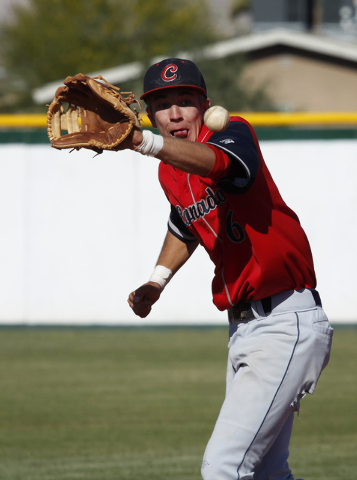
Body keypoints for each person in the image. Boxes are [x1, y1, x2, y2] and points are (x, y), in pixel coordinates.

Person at [124, 58, 333, 480]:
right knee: (266, 472)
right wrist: (157, 281)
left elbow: (226, 168)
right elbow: (185, 223)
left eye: (186, 100)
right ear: (150, 114)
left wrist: (142, 143)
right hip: (243, 328)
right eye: (163, 105)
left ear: (205, 106)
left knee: (224, 467)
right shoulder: (171, 171)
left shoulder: (232, 132)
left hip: (283, 321)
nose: (176, 113)